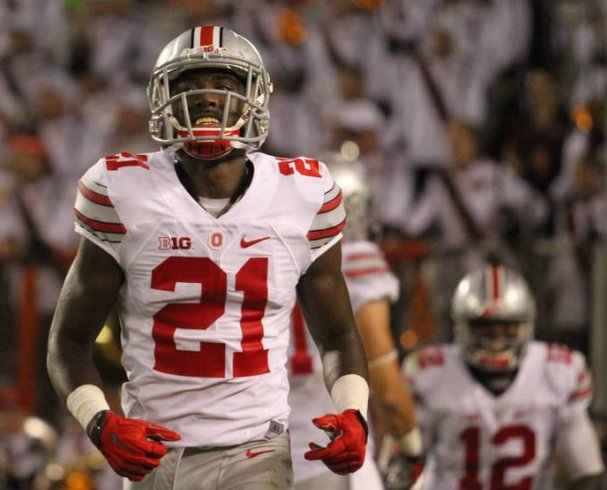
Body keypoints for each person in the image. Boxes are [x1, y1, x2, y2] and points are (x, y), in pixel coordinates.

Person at [47, 26, 370, 489]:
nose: (206, 98)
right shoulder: (122, 192)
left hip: (256, 450)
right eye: (189, 86)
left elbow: (338, 334)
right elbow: (68, 340)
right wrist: (100, 422)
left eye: (224, 85)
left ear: (255, 97)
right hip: (153, 454)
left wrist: (354, 411)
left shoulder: (301, 194)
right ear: (162, 97)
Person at [402, 264, 605, 489]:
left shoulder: (557, 371)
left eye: (506, 327)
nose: (495, 337)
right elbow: (405, 464)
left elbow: (585, 472)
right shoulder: (430, 373)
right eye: (484, 327)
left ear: (527, 324)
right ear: (461, 325)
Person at [287, 155, 422, 490]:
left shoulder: (271, 253)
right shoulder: (356, 258)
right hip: (331, 453)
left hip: (259, 450)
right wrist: (412, 448)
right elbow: (387, 388)